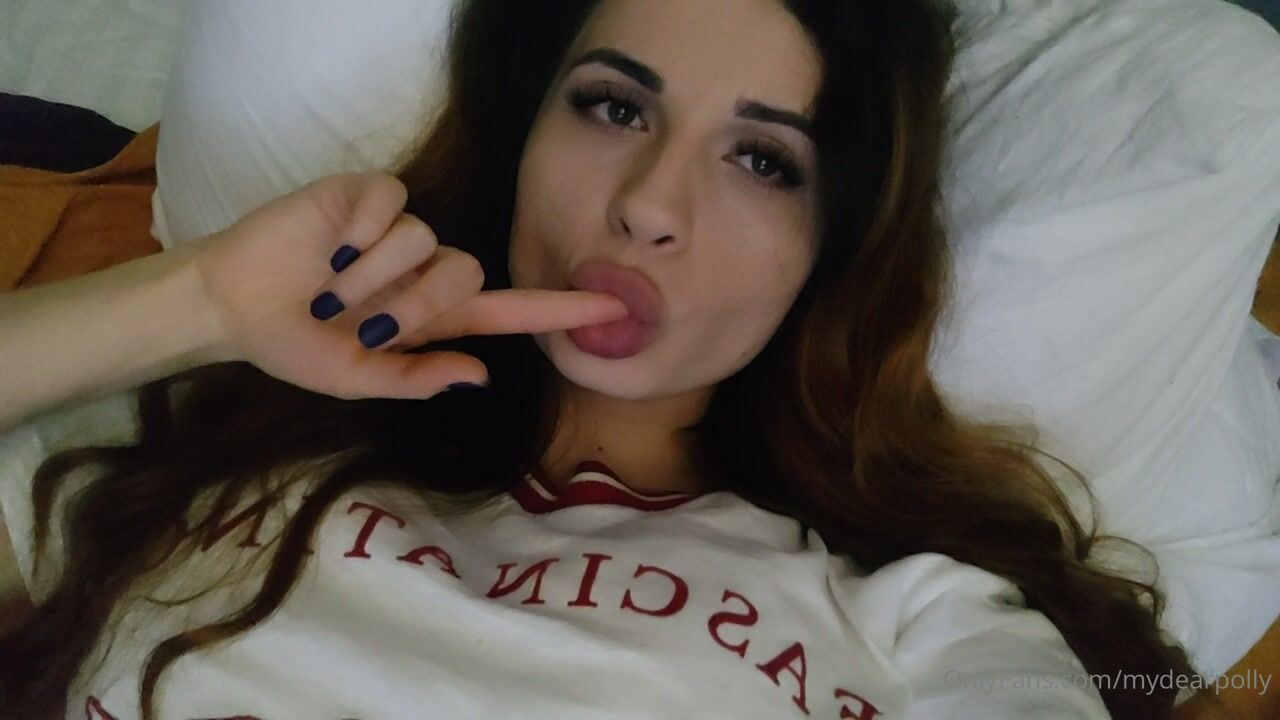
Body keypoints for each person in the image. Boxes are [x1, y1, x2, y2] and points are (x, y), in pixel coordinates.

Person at [0, 0, 1208, 717]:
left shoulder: (922, 617)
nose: (646, 206)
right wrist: (201, 298)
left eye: (762, 161)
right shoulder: (203, 451)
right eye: (613, 107)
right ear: (521, 140)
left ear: (826, 252)